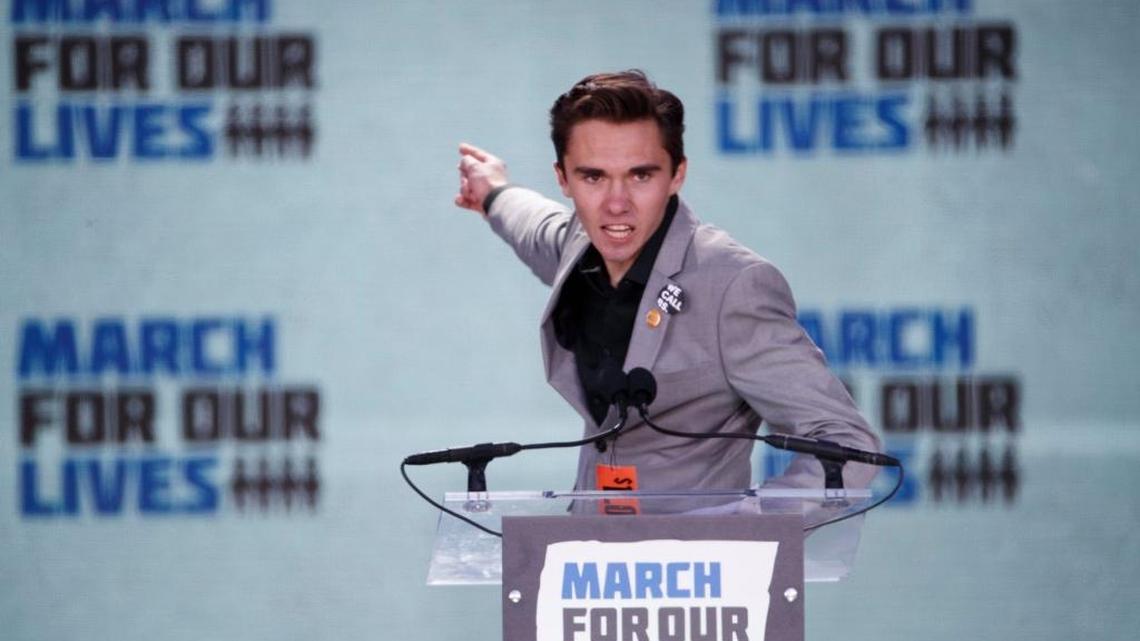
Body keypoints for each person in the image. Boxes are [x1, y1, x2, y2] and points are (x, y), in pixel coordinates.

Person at [455, 70, 879, 493]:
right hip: (587, 552)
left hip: (703, 556)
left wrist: (746, 531)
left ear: (677, 174)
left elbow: (845, 446)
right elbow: (532, 225)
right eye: (593, 177)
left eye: (640, 176)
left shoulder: (733, 286)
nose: (616, 204)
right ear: (563, 179)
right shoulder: (578, 244)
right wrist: (493, 192)